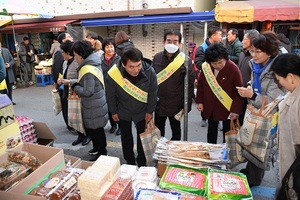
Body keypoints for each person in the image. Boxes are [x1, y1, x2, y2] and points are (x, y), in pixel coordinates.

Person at [236, 31, 286, 187]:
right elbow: (255, 84)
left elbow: (273, 100)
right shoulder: (256, 65)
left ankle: (255, 178)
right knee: (251, 140)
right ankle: (250, 171)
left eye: (258, 51)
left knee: (261, 144)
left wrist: (251, 95)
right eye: (252, 51)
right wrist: (251, 88)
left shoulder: (276, 69)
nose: (254, 55)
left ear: (269, 52)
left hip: (268, 114)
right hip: (255, 109)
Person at [106, 47, 157, 167]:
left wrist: (150, 111)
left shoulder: (149, 71)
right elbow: (110, 95)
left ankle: (142, 160)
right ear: (123, 65)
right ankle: (129, 161)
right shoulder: (114, 74)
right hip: (123, 110)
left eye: (138, 65)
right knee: (126, 137)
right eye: (131, 67)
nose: (136, 70)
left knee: (142, 138)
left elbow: (153, 93)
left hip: (142, 111)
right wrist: (113, 111)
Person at [195, 43, 244, 144]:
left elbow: (239, 92)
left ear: (226, 58)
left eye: (220, 62)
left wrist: (235, 110)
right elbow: (200, 85)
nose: (217, 66)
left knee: (227, 132)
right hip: (211, 104)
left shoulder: (233, 69)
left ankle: (226, 153)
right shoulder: (206, 68)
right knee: (211, 130)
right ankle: (210, 150)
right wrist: (200, 101)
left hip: (227, 105)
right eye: (214, 63)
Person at [152, 29, 194, 141]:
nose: (172, 44)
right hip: (159, 103)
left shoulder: (186, 61)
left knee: (176, 133)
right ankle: (160, 155)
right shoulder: (157, 58)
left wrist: (187, 105)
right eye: (169, 41)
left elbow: (190, 85)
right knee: (158, 133)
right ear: (164, 42)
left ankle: (173, 155)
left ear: (180, 43)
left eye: (175, 41)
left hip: (176, 104)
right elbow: (152, 82)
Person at [71, 40, 108, 161]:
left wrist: (75, 87)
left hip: (93, 105)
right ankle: (97, 148)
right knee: (95, 129)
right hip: (96, 103)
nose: (75, 58)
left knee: (97, 131)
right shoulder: (93, 61)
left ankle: (102, 152)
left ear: (81, 55)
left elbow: (88, 91)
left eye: (75, 55)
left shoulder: (87, 69)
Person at [270, 53, 300, 183]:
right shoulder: (292, 93)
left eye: (279, 79)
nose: (279, 83)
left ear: (290, 77)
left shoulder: (297, 101)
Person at [57, 40, 86, 147]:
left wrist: (68, 81)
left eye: (62, 52)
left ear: (68, 52)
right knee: (74, 116)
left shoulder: (77, 62)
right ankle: (80, 135)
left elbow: (80, 78)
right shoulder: (65, 62)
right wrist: (62, 79)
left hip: (76, 92)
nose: (61, 54)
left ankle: (86, 135)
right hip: (67, 91)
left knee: (81, 116)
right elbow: (65, 75)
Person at [195, 26, 223, 128]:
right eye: (219, 35)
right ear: (213, 35)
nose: (221, 37)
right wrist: (212, 66)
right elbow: (198, 63)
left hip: (219, 79)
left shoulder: (221, 46)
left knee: (219, 99)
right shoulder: (202, 48)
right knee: (206, 99)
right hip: (207, 78)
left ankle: (218, 119)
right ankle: (204, 117)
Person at [237, 29, 260, 125]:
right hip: (240, 92)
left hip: (251, 96)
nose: (242, 41)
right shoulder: (242, 53)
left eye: (244, 39)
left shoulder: (257, 57)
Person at [100, 37, 121, 135]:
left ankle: (120, 126)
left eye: (112, 46)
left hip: (117, 88)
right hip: (105, 87)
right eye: (107, 47)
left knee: (118, 107)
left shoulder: (119, 59)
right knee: (109, 108)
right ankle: (113, 125)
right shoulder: (100, 59)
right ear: (104, 48)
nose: (110, 49)